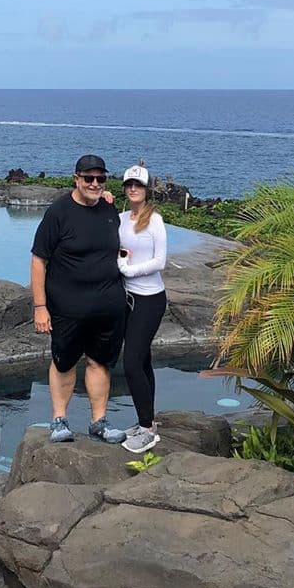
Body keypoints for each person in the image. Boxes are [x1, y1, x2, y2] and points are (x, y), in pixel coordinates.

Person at [30, 154, 129, 444]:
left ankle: (99, 421)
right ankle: (59, 420)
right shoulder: (58, 212)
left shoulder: (110, 210)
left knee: (100, 363)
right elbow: (39, 261)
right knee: (64, 362)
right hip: (66, 307)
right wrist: (40, 307)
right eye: (89, 178)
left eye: (100, 179)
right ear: (77, 179)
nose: (95, 184)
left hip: (107, 307)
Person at [116, 163, 168, 454]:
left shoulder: (155, 221)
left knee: (132, 362)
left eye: (138, 185)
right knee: (144, 361)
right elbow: (114, 246)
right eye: (129, 184)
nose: (133, 189)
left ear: (147, 190)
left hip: (150, 299)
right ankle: (146, 421)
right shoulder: (121, 218)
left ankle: (147, 430)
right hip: (128, 299)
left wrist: (128, 270)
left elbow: (160, 261)